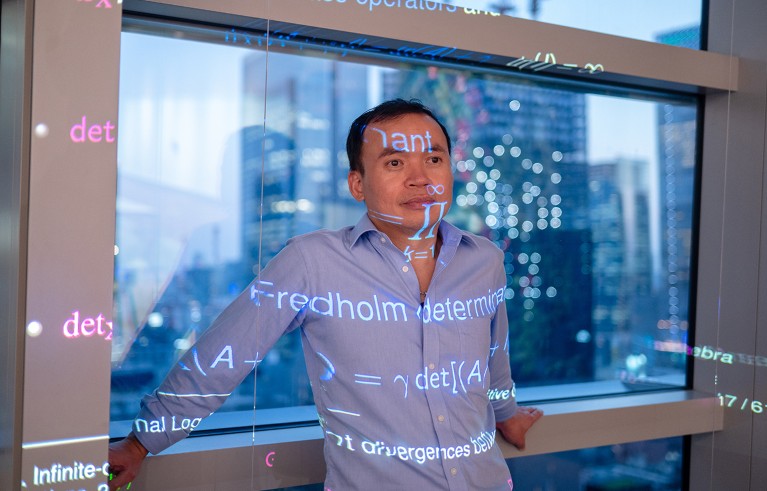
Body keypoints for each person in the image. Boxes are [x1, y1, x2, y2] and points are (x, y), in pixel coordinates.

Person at [108, 99, 543, 490]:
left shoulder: (483, 259)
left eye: (434, 158)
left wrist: (506, 415)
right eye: (395, 163)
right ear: (358, 184)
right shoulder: (313, 261)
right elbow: (222, 357)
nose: (419, 178)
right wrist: (140, 443)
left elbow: (493, 358)